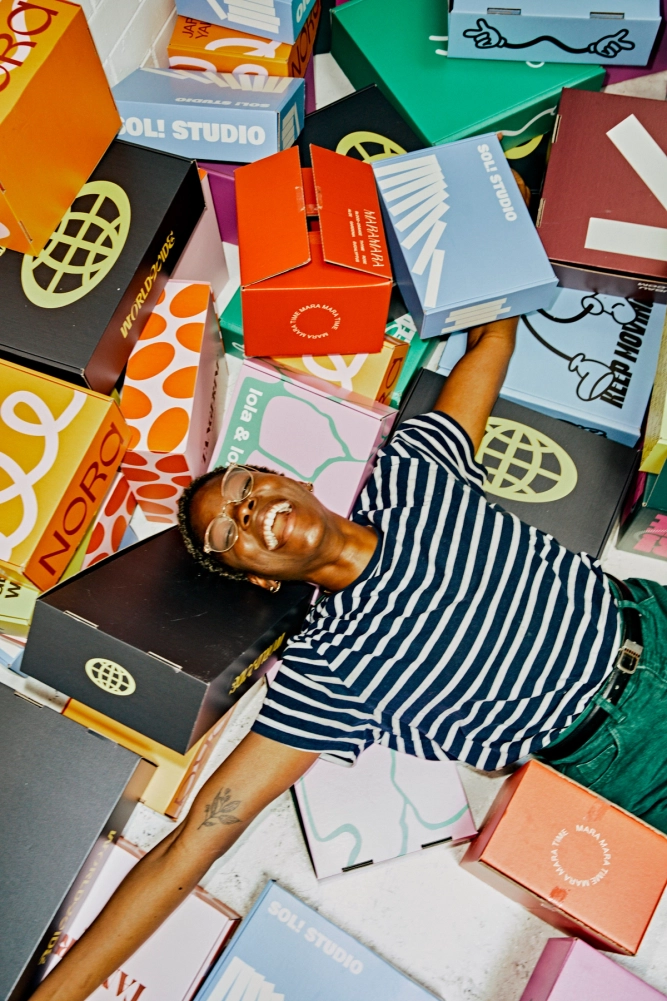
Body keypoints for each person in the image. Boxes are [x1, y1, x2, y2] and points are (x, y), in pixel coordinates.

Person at [31, 307, 667, 999]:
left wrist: (474, 260)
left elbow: (495, 333)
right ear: (258, 577)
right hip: (621, 757)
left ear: (292, 482)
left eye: (243, 489)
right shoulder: (323, 674)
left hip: (649, 616)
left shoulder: (413, 473)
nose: (245, 512)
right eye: (227, 532)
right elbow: (190, 846)